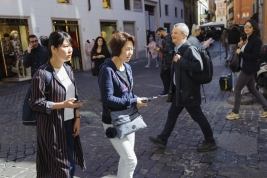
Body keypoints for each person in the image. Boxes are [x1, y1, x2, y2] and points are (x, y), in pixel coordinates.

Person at [149, 23, 217, 152]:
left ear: (183, 35)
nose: (172, 35)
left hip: (188, 92)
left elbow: (198, 66)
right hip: (180, 91)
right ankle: (163, 139)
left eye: (175, 33)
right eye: (172, 33)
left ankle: (210, 141)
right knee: (172, 114)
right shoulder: (179, 49)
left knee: (198, 116)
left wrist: (180, 60)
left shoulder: (189, 49)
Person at [30, 31, 86, 177]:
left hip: (69, 124)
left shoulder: (68, 70)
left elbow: (75, 96)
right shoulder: (41, 74)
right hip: (51, 128)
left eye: (71, 46)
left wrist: (77, 118)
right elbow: (36, 103)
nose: (70, 50)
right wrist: (62, 104)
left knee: (70, 165)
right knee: (63, 169)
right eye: (66, 46)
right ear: (53, 48)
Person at [98, 31, 147, 178]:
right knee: (131, 160)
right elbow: (107, 99)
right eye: (127, 49)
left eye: (131, 48)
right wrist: (133, 101)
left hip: (128, 118)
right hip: (113, 121)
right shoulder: (107, 69)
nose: (130, 52)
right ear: (117, 48)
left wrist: (138, 99)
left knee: (126, 159)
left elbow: (129, 93)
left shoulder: (127, 67)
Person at [226, 19, 267, 120]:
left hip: (249, 69)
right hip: (247, 67)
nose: (246, 28)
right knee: (253, 89)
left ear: (253, 29)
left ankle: (235, 112)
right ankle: (266, 108)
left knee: (237, 89)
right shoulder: (247, 39)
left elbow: (254, 56)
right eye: (245, 26)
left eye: (249, 26)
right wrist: (242, 46)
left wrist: (241, 52)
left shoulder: (256, 40)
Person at [156, 27, 174, 96]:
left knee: (163, 75)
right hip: (167, 61)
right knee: (167, 76)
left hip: (167, 62)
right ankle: (169, 90)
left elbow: (168, 49)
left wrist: (160, 49)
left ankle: (167, 91)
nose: (159, 35)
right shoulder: (167, 38)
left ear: (162, 31)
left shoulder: (168, 39)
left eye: (159, 34)